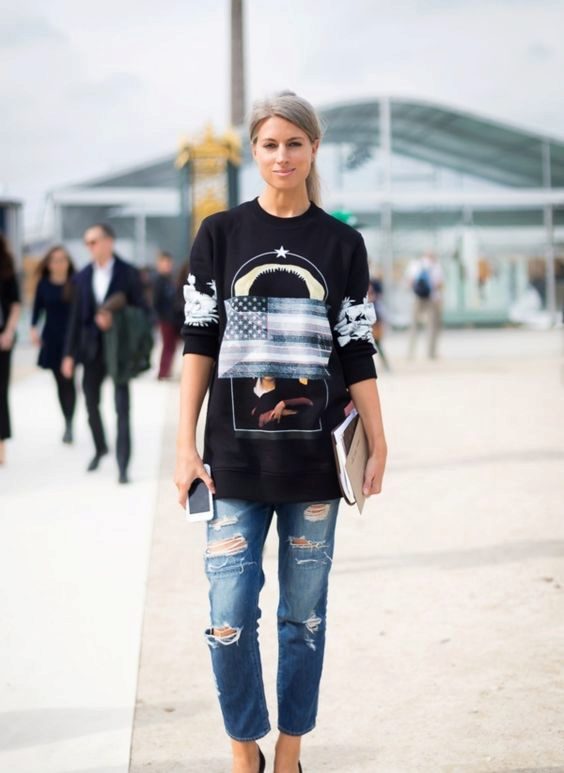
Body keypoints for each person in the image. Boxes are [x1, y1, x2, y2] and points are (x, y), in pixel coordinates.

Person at [174, 91, 387, 773]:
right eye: (270, 144)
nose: (282, 155)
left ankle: (290, 752)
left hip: (315, 468)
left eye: (295, 143)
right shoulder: (220, 234)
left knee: (304, 619)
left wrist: (378, 439)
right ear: (254, 151)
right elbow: (199, 342)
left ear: (314, 148)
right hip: (231, 464)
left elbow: (356, 346)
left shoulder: (342, 243)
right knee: (229, 617)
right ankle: (245, 748)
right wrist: (184, 446)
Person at [62, 223, 147, 483]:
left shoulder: (129, 273)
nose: (89, 247)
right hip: (91, 350)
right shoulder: (82, 276)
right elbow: (75, 319)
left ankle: (123, 465)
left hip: (119, 350)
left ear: (109, 241)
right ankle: (100, 448)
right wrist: (68, 355)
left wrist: (116, 317)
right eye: (87, 242)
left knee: (122, 408)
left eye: (93, 241)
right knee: (90, 403)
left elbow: (143, 311)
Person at [31, 245, 77, 443]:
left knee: (69, 381)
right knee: (59, 382)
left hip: (71, 339)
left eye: (62, 259)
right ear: (49, 264)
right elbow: (37, 310)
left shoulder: (75, 282)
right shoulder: (43, 284)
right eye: (55, 260)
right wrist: (33, 328)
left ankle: (70, 423)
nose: (59, 264)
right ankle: (66, 420)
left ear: (68, 262)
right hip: (51, 338)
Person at [0, 234, 21, 466]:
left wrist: (8, 332)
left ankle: (1, 444)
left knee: (0, 391)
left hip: (2, 339)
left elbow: (15, 304)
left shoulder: (6, 268)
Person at [406, 250, 444, 360]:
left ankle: (410, 352)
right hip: (432, 299)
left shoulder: (415, 265)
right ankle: (431, 353)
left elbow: (410, 282)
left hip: (417, 298)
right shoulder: (437, 266)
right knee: (432, 326)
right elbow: (440, 284)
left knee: (414, 326)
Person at [153, 250, 180, 379]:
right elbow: (156, 302)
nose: (167, 265)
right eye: (165, 263)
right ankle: (163, 372)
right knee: (167, 346)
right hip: (165, 319)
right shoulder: (158, 281)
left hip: (174, 318)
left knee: (172, 346)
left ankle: (166, 370)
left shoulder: (171, 280)